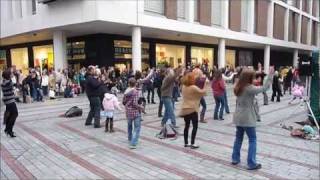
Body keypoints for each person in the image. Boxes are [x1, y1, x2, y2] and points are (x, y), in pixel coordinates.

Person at [232, 67, 274, 170]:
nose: (254, 78)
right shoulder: (249, 88)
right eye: (253, 77)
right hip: (247, 117)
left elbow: (256, 83)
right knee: (252, 139)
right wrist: (270, 76)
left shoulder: (238, 86)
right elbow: (265, 88)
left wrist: (259, 71)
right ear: (249, 78)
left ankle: (235, 159)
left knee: (238, 138)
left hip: (238, 116)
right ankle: (251, 163)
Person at [179, 72, 208, 149]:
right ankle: (192, 143)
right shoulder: (193, 87)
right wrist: (206, 83)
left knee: (187, 126)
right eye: (193, 78)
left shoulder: (183, 86)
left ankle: (186, 143)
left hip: (185, 109)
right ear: (191, 79)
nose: (195, 79)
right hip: (192, 109)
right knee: (195, 126)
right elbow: (202, 92)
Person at [123, 78, 144, 149]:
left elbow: (124, 102)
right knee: (137, 127)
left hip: (128, 112)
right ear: (135, 84)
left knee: (129, 125)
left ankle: (130, 138)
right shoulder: (135, 92)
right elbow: (135, 103)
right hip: (135, 112)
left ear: (129, 83)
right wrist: (141, 107)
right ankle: (133, 142)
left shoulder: (126, 91)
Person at [1, 69, 19, 137]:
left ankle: (7, 129)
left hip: (7, 100)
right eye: (11, 74)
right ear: (8, 75)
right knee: (15, 114)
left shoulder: (4, 81)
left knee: (10, 114)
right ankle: (9, 130)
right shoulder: (8, 82)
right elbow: (14, 83)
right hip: (10, 101)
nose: (12, 74)